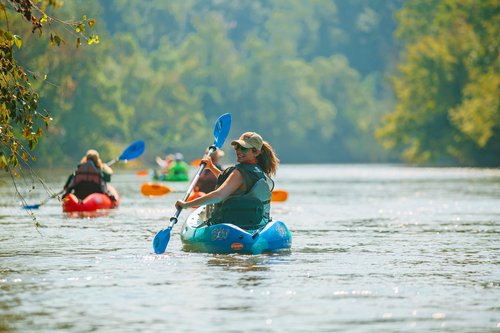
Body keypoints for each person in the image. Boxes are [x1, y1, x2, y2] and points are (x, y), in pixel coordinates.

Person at [176, 132, 279, 229]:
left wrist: (186, 204)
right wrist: (211, 167)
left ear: (256, 152)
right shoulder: (259, 171)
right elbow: (230, 182)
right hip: (254, 223)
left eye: (243, 148)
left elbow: (218, 196)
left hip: (231, 223)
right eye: (237, 147)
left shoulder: (239, 173)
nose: (238, 151)